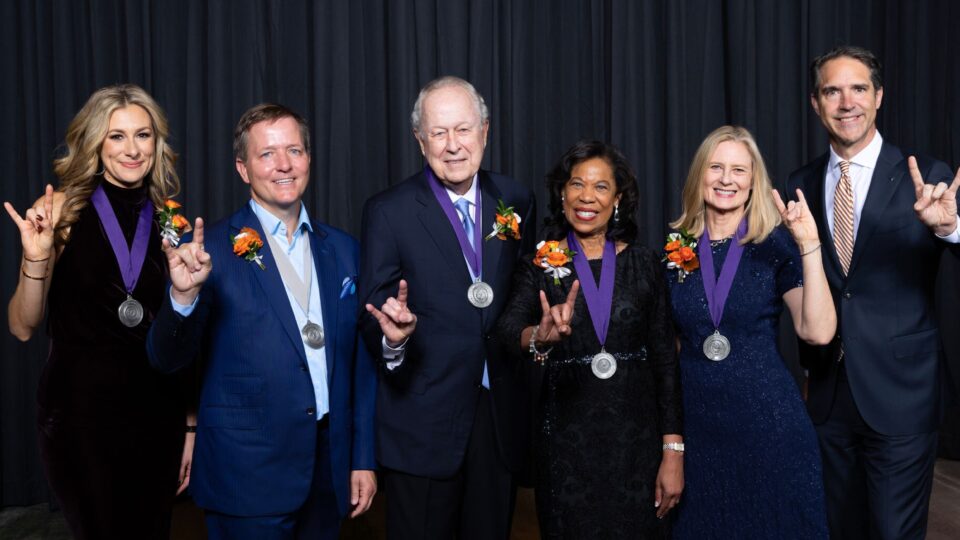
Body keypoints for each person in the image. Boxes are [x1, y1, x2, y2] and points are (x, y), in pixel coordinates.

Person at [146, 103, 377, 540]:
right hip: (247, 476)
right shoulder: (207, 251)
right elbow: (166, 359)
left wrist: (361, 456)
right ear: (243, 168)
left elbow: (360, 365)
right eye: (267, 154)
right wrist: (182, 295)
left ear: (309, 158)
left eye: (294, 150)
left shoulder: (344, 249)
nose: (284, 165)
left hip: (329, 469)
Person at [4, 84, 192, 538]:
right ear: (94, 143)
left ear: (156, 143)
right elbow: (23, 326)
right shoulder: (59, 211)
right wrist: (35, 255)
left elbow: (180, 331)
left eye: (143, 135)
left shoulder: (169, 217)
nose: (132, 149)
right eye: (117, 136)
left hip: (157, 417)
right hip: (81, 419)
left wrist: (190, 425)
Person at [788, 46, 960, 540]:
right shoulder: (800, 184)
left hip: (902, 393)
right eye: (832, 91)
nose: (847, 102)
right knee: (839, 531)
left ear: (878, 97)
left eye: (859, 88)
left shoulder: (926, 175)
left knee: (892, 533)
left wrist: (950, 229)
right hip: (828, 395)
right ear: (816, 104)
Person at [358, 76, 536, 539]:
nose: (453, 145)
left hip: (498, 420)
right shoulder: (388, 211)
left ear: (485, 132)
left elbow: (522, 294)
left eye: (463, 129)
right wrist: (393, 339)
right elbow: (375, 310)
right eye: (439, 133)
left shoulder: (515, 201)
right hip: (423, 421)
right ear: (420, 140)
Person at [494, 140, 683, 538]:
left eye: (600, 187)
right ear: (562, 193)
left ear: (618, 198)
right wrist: (540, 337)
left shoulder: (646, 264)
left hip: (638, 447)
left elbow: (666, 362)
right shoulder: (540, 265)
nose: (586, 196)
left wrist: (672, 452)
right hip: (565, 449)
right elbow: (509, 330)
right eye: (577, 184)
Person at [668, 125, 834, 538]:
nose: (727, 179)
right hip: (701, 433)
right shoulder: (673, 252)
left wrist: (809, 245)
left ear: (754, 181)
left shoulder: (776, 246)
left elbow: (818, 331)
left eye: (740, 170)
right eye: (717, 167)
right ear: (699, 174)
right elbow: (667, 351)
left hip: (768, 428)